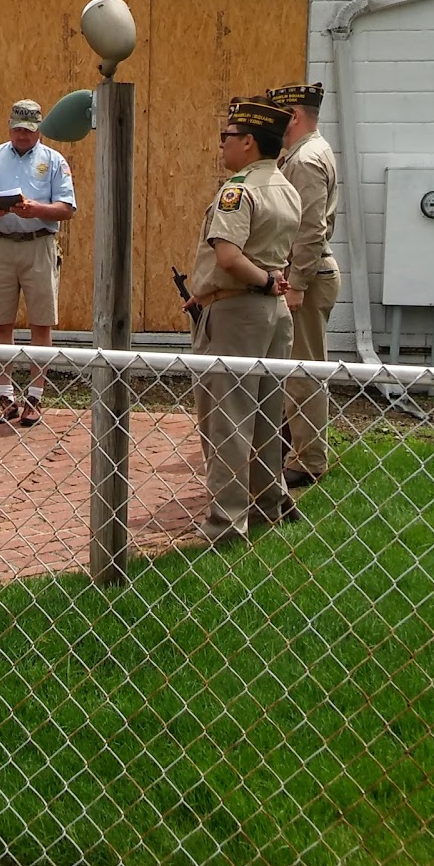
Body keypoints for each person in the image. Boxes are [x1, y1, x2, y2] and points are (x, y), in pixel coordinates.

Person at [185, 95, 301, 544]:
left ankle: (227, 523)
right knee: (268, 414)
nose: (222, 145)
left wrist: (264, 282)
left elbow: (230, 258)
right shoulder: (285, 186)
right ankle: (269, 504)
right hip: (271, 316)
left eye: (227, 136)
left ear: (248, 141)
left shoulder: (238, 190)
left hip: (238, 311)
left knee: (227, 417)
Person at [0, 99, 76, 426]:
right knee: (0, 322)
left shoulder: (54, 161)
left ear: (38, 129)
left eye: (27, 130)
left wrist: (37, 209)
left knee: (41, 323)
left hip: (38, 244)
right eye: (16, 129)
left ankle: (36, 398)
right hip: (2, 245)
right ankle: (5, 395)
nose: (21, 135)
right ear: (9, 126)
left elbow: (67, 208)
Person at [267, 81, 340, 489]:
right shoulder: (310, 152)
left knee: (303, 372)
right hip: (309, 273)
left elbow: (310, 228)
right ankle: (291, 445)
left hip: (308, 277)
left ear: (293, 115)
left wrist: (296, 283)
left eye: (279, 114)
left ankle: (309, 459)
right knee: (297, 368)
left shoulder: (306, 160)